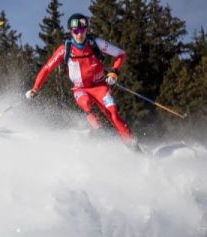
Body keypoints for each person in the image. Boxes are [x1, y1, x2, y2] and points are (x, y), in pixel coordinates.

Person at [26, 13, 136, 146]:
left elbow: (120, 54)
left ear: (86, 29)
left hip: (100, 86)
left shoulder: (96, 43)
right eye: (75, 31)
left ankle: (133, 146)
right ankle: (104, 141)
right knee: (86, 104)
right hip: (80, 89)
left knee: (113, 114)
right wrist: (35, 88)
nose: (79, 34)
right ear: (71, 31)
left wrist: (114, 72)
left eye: (82, 30)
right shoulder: (65, 49)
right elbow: (47, 69)